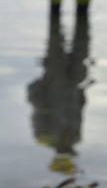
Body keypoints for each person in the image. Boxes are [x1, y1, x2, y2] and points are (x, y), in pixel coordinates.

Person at [27, 9, 91, 174]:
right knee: (66, 47)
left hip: (65, 85)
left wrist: (37, 87)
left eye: (67, 152)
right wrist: (81, 92)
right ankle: (59, 17)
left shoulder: (45, 137)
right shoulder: (74, 138)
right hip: (63, 84)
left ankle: (77, 14)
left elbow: (35, 103)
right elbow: (80, 110)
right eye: (69, 152)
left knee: (71, 47)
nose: (69, 148)